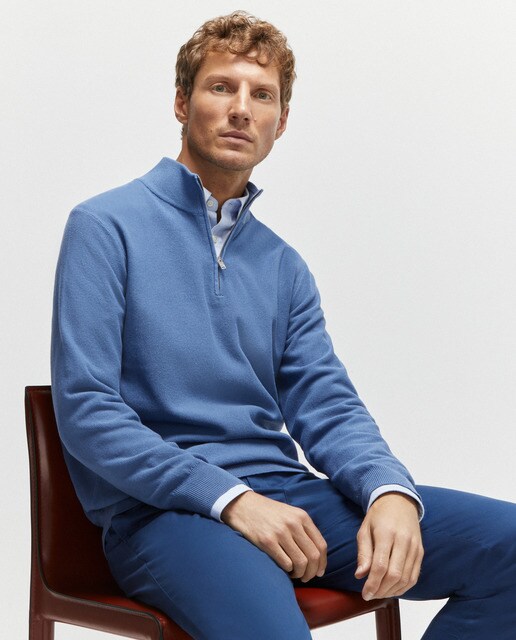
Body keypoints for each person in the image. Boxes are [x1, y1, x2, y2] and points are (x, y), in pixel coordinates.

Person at [50, 10, 516, 640]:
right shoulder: (105, 227)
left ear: (282, 121)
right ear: (182, 104)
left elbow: (327, 405)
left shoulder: (282, 265)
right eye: (221, 87)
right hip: (164, 514)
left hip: (287, 496)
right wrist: (231, 499)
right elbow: (88, 409)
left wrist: (388, 490)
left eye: (262, 95)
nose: (241, 109)